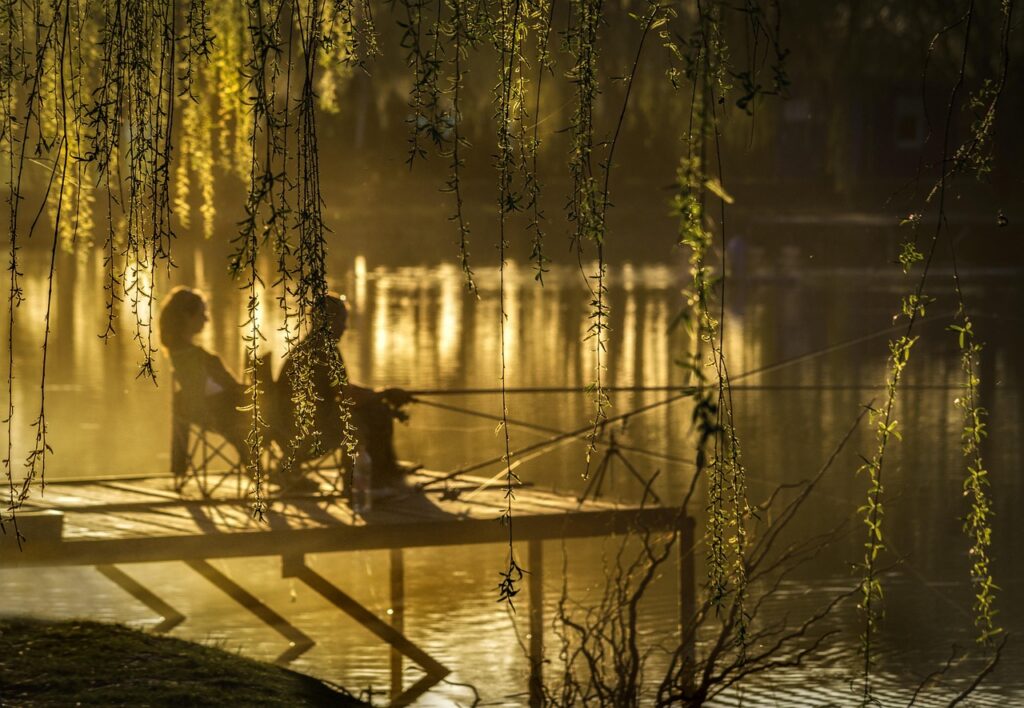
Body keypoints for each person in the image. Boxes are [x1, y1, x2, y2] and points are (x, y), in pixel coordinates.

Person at [269, 293, 412, 491]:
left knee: (374, 409)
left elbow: (343, 389)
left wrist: (379, 394)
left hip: (288, 431)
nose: (345, 327)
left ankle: (383, 472)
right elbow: (348, 397)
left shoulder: (308, 347)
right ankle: (359, 483)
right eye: (342, 321)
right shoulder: (326, 351)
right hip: (306, 437)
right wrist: (384, 394)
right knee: (368, 417)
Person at [159, 287, 251, 483]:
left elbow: (212, 389)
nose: (207, 319)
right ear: (187, 317)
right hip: (224, 411)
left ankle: (282, 468)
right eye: (202, 314)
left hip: (222, 407)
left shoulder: (184, 354)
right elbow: (210, 394)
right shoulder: (191, 357)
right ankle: (285, 469)